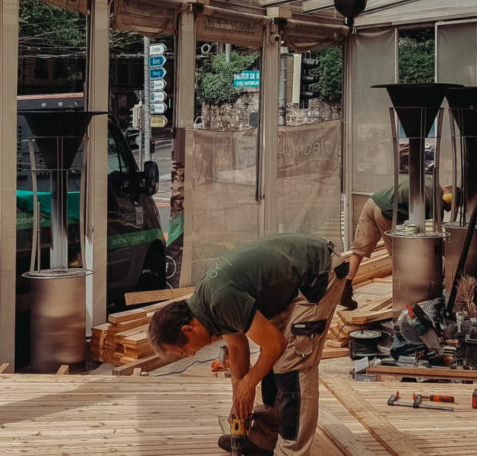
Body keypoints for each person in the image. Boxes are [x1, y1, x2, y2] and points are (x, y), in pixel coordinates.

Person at [148, 234, 348, 456]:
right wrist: (239, 396)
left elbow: (274, 344)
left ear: (188, 329)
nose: (192, 353)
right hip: (294, 282)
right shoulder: (205, 306)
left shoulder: (220, 300)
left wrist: (249, 384)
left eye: (185, 350)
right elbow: (237, 347)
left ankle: (291, 452)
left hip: (317, 273)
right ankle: (264, 439)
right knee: (273, 364)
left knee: (293, 368)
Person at [342, 176, 453, 310]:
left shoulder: (430, 180)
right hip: (386, 212)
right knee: (398, 255)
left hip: (372, 202)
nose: (449, 210)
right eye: (452, 206)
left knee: (358, 250)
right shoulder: (438, 199)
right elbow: (437, 235)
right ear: (450, 197)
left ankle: (344, 290)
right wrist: (448, 259)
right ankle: (405, 294)